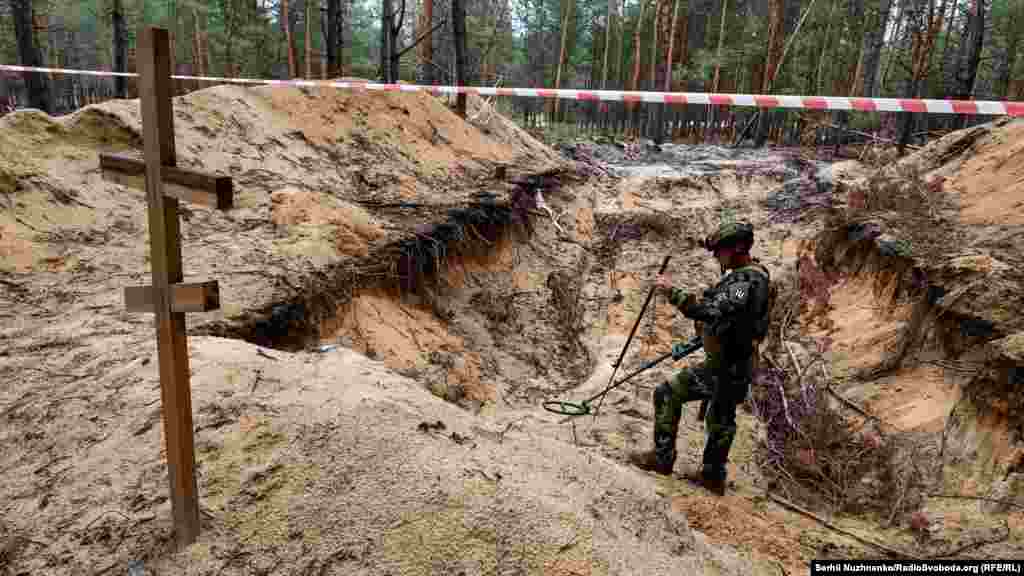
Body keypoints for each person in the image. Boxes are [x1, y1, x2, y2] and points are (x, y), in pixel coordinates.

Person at [628, 221, 773, 496]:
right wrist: (700, 340)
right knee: (721, 417)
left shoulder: (746, 281)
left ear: (738, 247)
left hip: (726, 365)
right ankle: (712, 476)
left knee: (668, 393)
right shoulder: (751, 276)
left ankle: (663, 460)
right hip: (735, 362)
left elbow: (715, 311)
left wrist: (672, 291)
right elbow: (734, 323)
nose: (716, 255)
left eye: (720, 250)